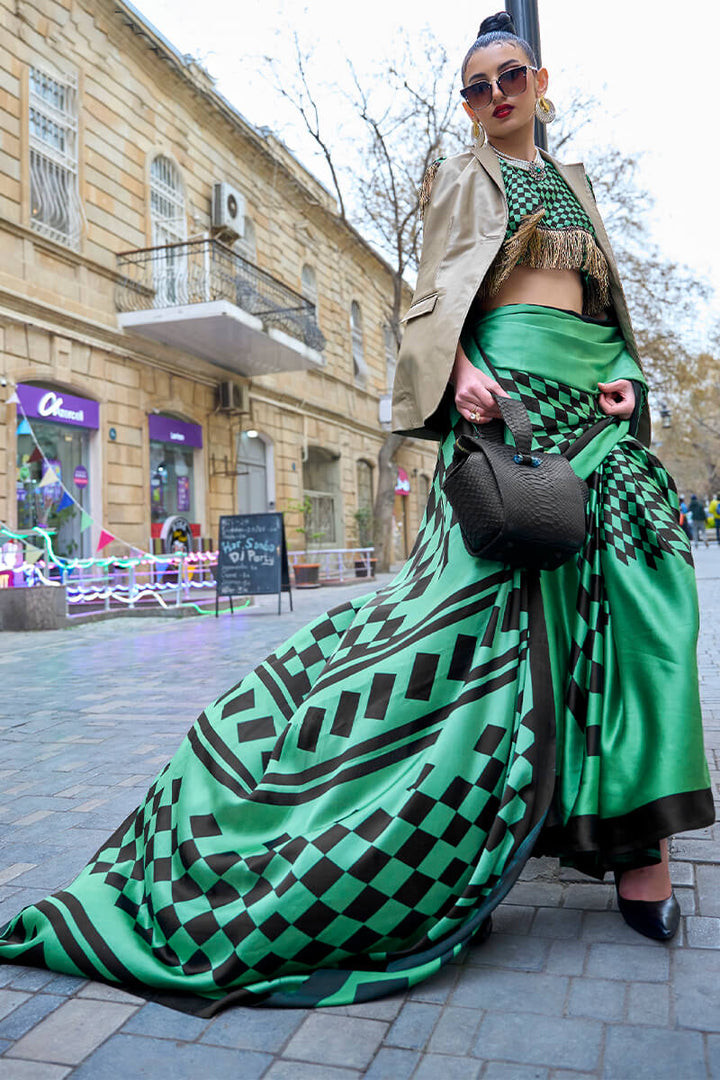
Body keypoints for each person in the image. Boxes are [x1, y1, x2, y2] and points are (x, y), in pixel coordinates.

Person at [0, 12, 714, 1014]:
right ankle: (328, 801)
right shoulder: (462, 180)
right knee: (460, 637)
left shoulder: (581, 185)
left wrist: (633, 382)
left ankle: (642, 843)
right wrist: (462, 370)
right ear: (466, 104)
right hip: (510, 414)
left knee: (645, 608)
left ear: (540, 82)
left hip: (595, 410)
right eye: (475, 85)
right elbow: (433, 299)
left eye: (511, 76)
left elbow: (613, 313)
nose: (496, 94)